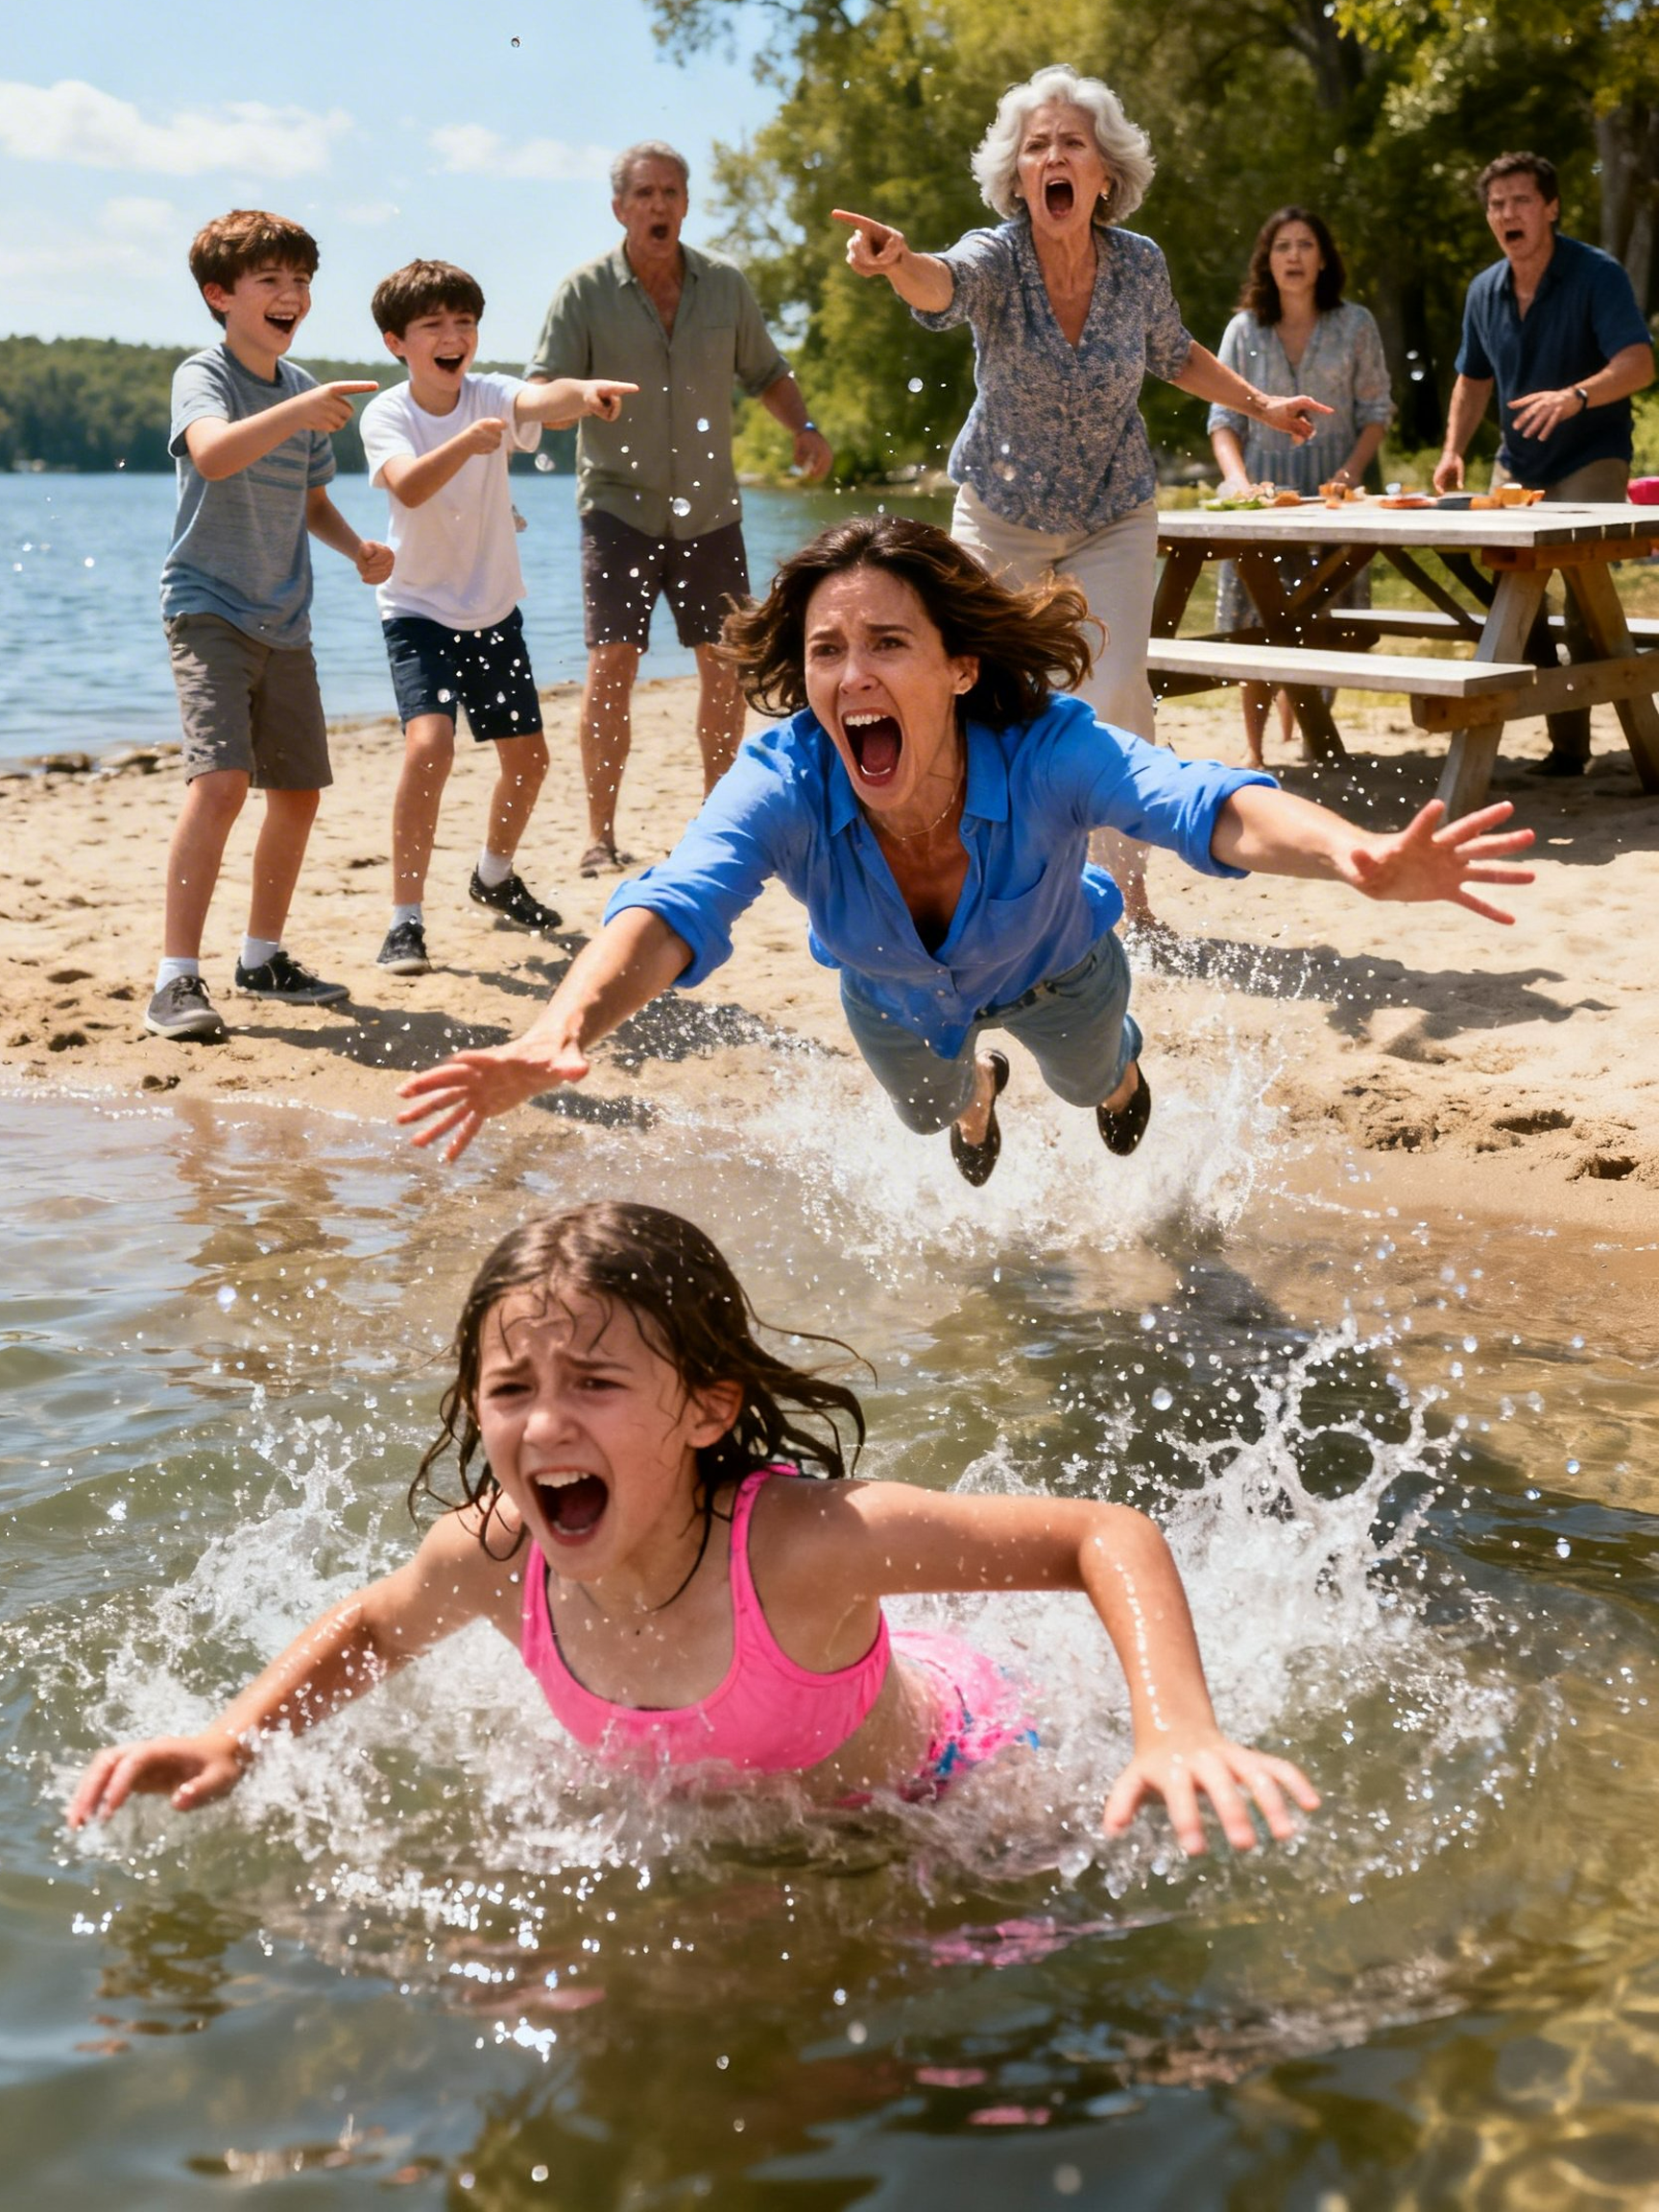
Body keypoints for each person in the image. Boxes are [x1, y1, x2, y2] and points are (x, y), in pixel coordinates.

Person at [66, 1200, 1320, 1854]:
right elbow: (375, 1631)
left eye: (596, 1385)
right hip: (741, 1810)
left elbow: (1102, 1535)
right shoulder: (497, 1555)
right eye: (511, 1392)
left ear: (708, 1408)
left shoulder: (802, 1548)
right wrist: (236, 1735)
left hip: (941, 1785)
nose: (545, 1424)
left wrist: (1178, 1730)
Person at [395, 517, 1534, 1186]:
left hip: (1064, 967)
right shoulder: (786, 775)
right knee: (935, 1118)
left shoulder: (1049, 750)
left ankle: (1120, 1066)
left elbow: (1200, 803)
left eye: (889, 642)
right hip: (892, 1001)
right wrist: (559, 1029)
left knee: (1094, 1083)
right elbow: (676, 907)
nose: (852, 676)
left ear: (958, 667)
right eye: (828, 649)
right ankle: (979, 1089)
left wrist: (1351, 856)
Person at [831, 64, 1333, 929]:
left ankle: (1127, 899)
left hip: (1113, 511)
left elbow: (1174, 353)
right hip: (1000, 517)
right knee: (973, 694)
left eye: (1072, 143)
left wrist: (1261, 406)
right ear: (1017, 178)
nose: (1053, 156)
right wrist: (898, 262)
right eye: (1036, 147)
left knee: (1115, 692)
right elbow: (942, 286)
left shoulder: (1139, 266)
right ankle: (971, 877)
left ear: (1105, 174)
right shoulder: (998, 255)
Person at [527, 141, 834, 878]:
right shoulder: (583, 292)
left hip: (709, 509)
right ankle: (600, 835)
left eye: (670, 192)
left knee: (725, 669)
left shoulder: (724, 285)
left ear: (686, 204)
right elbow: (542, 389)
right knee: (611, 666)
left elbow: (767, 370)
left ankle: (717, 817)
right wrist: (577, 399)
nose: (658, 205)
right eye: (644, 194)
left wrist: (804, 427)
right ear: (619, 208)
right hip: (616, 507)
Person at [143, 210, 394, 1044]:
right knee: (219, 784)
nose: (293, 296)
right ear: (221, 295)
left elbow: (311, 499)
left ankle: (262, 957)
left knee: (296, 793)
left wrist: (357, 546)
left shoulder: (300, 392)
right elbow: (213, 454)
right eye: (271, 282)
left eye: (302, 282)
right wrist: (300, 410)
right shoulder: (203, 374)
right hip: (208, 605)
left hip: (288, 618)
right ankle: (176, 979)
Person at [360, 259, 637, 976]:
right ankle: (405, 921)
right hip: (417, 609)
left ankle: (492, 877)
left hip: (492, 610)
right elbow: (410, 489)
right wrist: (467, 442)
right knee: (430, 748)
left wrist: (589, 393)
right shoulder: (389, 414)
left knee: (529, 760)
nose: (454, 336)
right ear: (398, 341)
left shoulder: (488, 392)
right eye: (434, 326)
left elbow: (544, 399)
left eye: (465, 323)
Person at [1432, 151, 1654, 777]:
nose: (1508, 213)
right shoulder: (1484, 290)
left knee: (1587, 608)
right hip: (1518, 465)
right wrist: (1452, 450)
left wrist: (1575, 395)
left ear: (1551, 208)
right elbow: (1472, 381)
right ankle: (1568, 747)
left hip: (1592, 454)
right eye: (1497, 204)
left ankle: (1628, 748)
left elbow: (1639, 363)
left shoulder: (1596, 274)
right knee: (1517, 605)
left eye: (1521, 201)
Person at [1209, 207, 1395, 768]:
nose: (1293, 255)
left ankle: (1314, 729)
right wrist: (1237, 482)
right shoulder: (1244, 329)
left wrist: (1350, 473)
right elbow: (1222, 419)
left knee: (1328, 616)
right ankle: (1255, 747)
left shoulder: (1356, 324)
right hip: (1261, 499)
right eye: (1282, 246)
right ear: (1267, 261)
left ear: (1323, 259)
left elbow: (1377, 411)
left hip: (1333, 498)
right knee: (1254, 621)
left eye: (1305, 244)